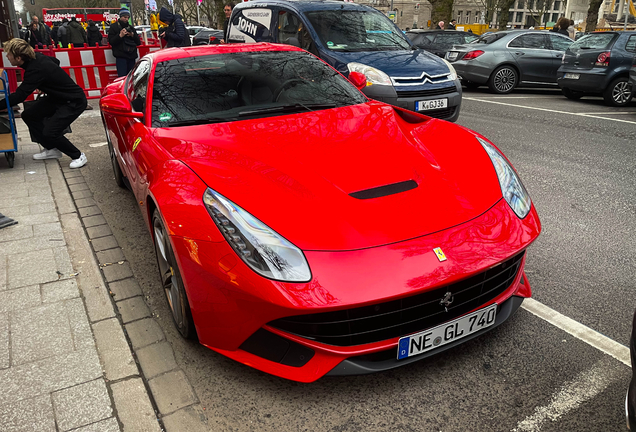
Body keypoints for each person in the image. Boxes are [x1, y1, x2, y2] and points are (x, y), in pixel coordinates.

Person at [4, 38, 87, 168]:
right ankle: (52, 149)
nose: (6, 56)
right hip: (57, 98)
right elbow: (55, 61)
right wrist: (46, 81)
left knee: (50, 132)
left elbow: (20, 95)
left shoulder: (35, 69)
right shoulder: (36, 57)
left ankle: (78, 156)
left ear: (19, 58)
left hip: (73, 101)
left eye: (8, 54)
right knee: (29, 115)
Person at [108, 9, 141, 77]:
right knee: (122, 78)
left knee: (132, 78)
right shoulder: (114, 27)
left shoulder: (131, 28)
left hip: (131, 56)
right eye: (124, 17)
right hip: (121, 57)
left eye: (128, 17)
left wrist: (133, 35)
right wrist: (120, 36)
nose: (126, 19)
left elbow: (138, 42)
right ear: (120, 17)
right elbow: (111, 41)